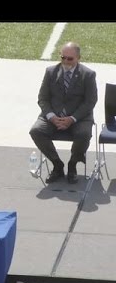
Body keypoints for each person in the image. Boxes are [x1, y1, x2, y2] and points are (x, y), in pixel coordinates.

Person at [29, 42, 97, 184]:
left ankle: (73, 164)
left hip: (79, 117)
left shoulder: (88, 75)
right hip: (53, 116)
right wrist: (52, 117)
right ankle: (57, 164)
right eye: (63, 57)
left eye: (70, 58)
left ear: (78, 58)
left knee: (84, 134)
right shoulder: (50, 72)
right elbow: (43, 98)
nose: (65, 61)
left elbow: (90, 102)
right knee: (36, 131)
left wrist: (72, 119)